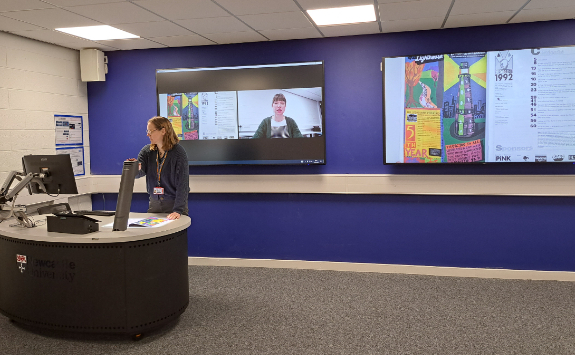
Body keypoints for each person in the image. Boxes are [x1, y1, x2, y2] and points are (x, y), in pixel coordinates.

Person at [130, 116, 189, 220]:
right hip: (155, 204)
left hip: (174, 204)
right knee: (154, 234)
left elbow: (183, 184)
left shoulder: (178, 152)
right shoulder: (147, 151)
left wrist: (178, 210)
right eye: (147, 131)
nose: (148, 134)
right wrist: (134, 169)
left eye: (151, 131)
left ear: (163, 131)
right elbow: (139, 173)